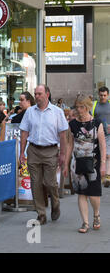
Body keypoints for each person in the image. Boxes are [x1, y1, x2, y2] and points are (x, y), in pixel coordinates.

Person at [19, 85, 69, 225]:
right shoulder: (30, 112)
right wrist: (22, 152)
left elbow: (63, 135)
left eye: (40, 94)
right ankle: (41, 214)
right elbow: (24, 132)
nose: (37, 96)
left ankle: (55, 204)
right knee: (35, 183)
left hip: (50, 150)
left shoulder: (57, 112)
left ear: (47, 94)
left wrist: (63, 154)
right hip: (33, 150)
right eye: (35, 94)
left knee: (50, 182)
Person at [67, 95, 106, 233]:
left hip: (94, 162)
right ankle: (85, 223)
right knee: (81, 193)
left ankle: (96, 214)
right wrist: (66, 163)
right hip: (78, 162)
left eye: (82, 107)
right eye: (77, 107)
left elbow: (102, 145)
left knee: (93, 194)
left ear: (88, 107)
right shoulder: (72, 124)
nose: (79, 110)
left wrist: (103, 165)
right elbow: (70, 145)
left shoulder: (97, 123)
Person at [92, 86, 110, 187]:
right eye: (101, 95)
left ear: (108, 95)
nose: (103, 97)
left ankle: (107, 176)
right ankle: (100, 175)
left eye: (104, 95)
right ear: (98, 95)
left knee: (107, 155)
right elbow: (91, 117)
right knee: (98, 154)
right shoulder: (94, 105)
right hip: (97, 133)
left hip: (108, 134)